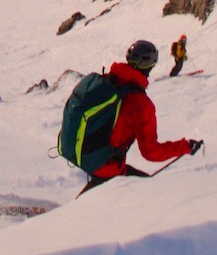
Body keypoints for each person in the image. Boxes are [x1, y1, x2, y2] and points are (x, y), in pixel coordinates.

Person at [80, 39, 202, 194]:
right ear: (150, 67)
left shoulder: (107, 80)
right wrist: (185, 147)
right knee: (153, 195)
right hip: (108, 166)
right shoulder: (141, 104)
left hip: (88, 156)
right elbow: (150, 152)